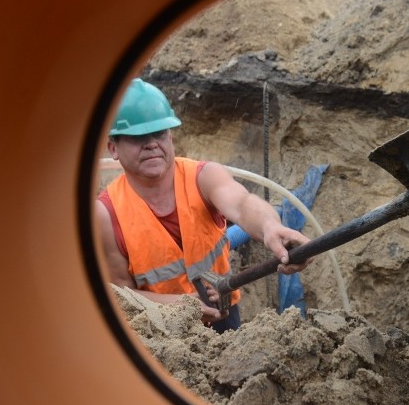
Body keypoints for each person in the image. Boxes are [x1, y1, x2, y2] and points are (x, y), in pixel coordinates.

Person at [96, 78, 311, 332]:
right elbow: (122, 295)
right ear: (113, 148)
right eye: (137, 137)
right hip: (163, 331)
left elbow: (242, 204)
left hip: (224, 312)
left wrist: (270, 226)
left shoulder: (203, 177)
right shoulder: (106, 215)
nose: (152, 143)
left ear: (171, 137)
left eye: (159, 133)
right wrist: (183, 306)